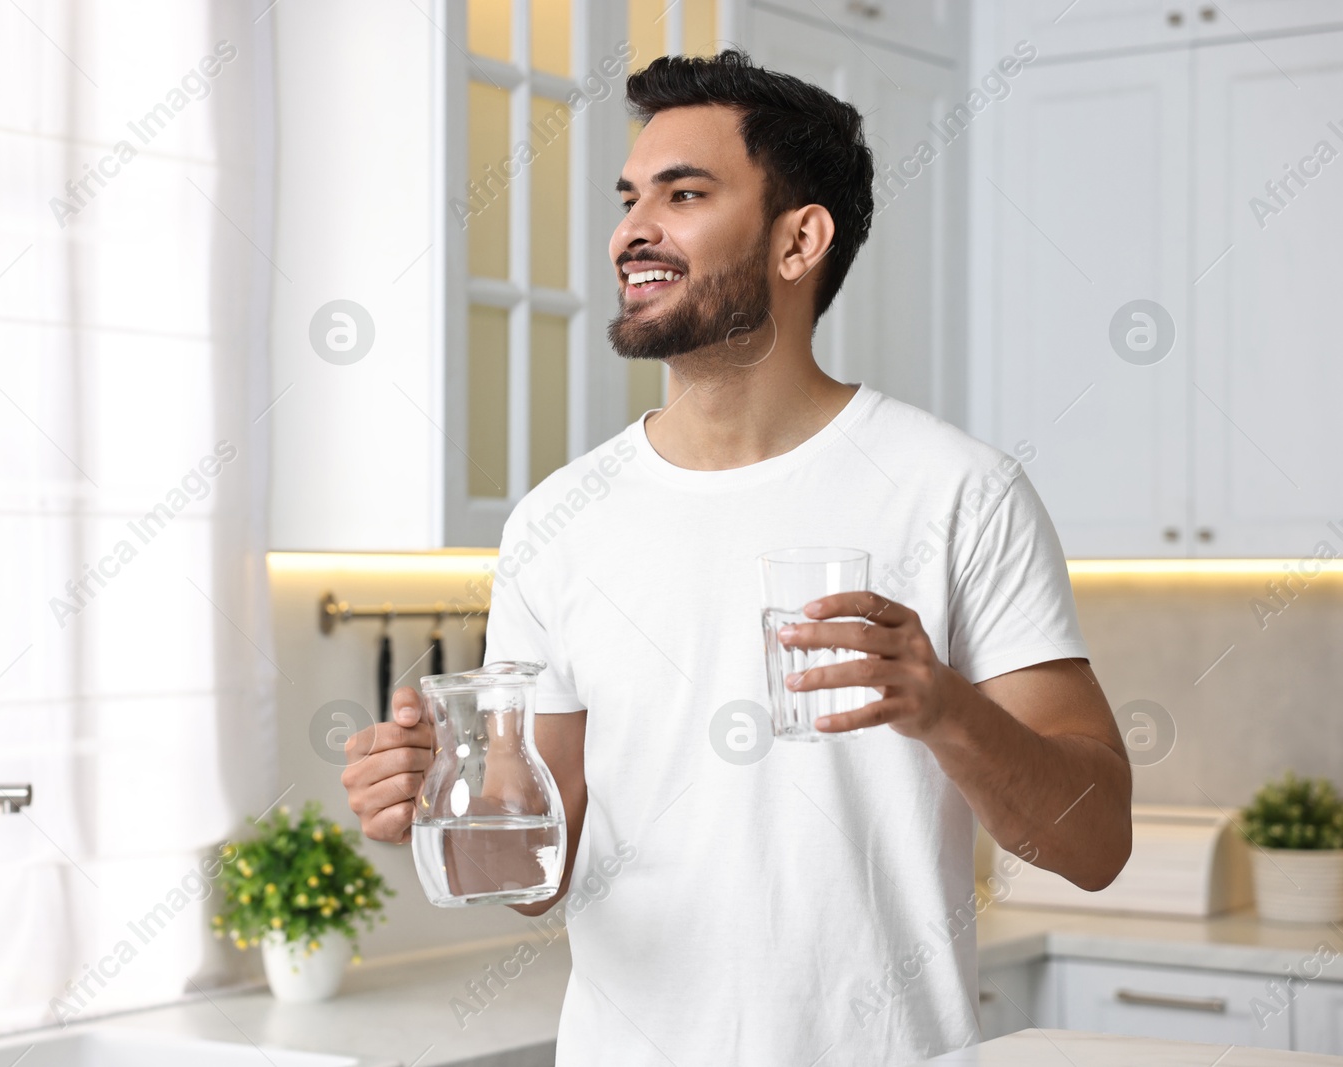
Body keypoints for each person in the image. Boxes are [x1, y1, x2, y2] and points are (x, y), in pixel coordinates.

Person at [343, 49, 1131, 1066]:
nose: (633, 229)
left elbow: (1096, 840)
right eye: (630, 198)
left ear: (799, 239)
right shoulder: (556, 521)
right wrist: (422, 804)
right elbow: (536, 862)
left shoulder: (958, 492)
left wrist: (944, 706)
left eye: (684, 194)